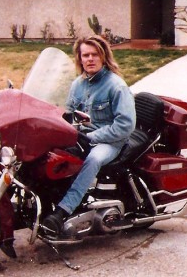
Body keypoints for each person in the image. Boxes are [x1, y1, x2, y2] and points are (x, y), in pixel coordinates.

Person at [43, 35, 136, 234]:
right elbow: (66, 113)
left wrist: (92, 138)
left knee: (92, 159)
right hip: (82, 137)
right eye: (86, 55)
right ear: (79, 58)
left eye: (95, 54)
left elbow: (125, 125)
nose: (90, 59)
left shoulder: (116, 85)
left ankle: (62, 211)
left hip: (111, 141)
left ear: (103, 57)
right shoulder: (77, 84)